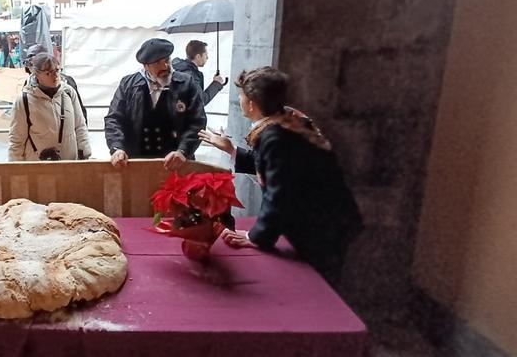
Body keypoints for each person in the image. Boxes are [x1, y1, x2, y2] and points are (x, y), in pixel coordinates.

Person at [198, 66, 363, 287]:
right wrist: (231, 149)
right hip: (328, 216)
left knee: (316, 289)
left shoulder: (275, 136)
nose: (240, 100)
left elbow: (280, 192)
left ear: (251, 104)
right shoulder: (288, 118)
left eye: (241, 96)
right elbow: (279, 167)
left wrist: (256, 236)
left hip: (321, 225)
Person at [104, 38, 206, 171]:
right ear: (146, 66)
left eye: (167, 60)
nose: (165, 66)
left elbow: (197, 122)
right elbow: (114, 119)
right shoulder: (128, 85)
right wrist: (117, 148)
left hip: (176, 164)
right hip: (136, 164)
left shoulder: (187, 83)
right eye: (158, 63)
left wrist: (183, 150)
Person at [9, 53, 91, 161]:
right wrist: (15, 168)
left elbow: (80, 125)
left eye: (57, 70)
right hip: (38, 166)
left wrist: (85, 153)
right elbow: (17, 139)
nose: (55, 75)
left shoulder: (69, 92)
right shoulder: (24, 100)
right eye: (48, 73)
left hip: (69, 163)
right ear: (36, 74)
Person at [22, 44, 86, 122]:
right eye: (30, 64)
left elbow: (80, 114)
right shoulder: (29, 84)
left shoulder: (67, 83)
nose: (33, 69)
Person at [172, 40, 227, 106]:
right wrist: (216, 84)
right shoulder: (191, 76)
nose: (207, 57)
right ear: (198, 57)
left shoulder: (181, 71)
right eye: (205, 55)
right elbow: (200, 101)